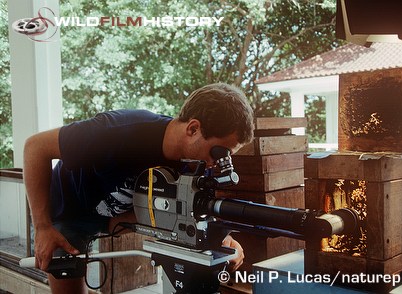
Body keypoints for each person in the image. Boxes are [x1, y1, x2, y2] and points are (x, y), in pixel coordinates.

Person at [23, 83, 255, 294]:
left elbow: (193, 210)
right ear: (193, 129)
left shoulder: (195, 164)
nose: (218, 162)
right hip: (68, 209)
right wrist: (42, 227)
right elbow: (35, 147)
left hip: (118, 216)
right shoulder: (119, 130)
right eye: (219, 152)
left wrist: (222, 239)